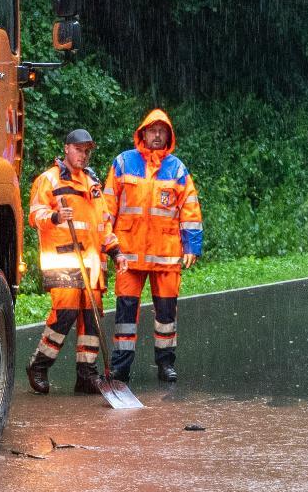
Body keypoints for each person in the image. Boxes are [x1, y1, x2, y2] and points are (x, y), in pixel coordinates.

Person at [104, 107, 202, 383]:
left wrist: (192, 245)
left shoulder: (177, 169)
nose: (157, 135)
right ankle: (120, 366)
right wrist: (105, 242)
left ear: (168, 136)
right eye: (153, 130)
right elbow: (107, 207)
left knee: (166, 315)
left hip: (166, 256)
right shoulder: (123, 163)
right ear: (143, 133)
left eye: (162, 131)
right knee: (125, 314)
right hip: (129, 255)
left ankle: (166, 364)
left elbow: (190, 208)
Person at [27, 128, 111, 394]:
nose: (83, 155)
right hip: (63, 259)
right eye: (79, 150)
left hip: (92, 264)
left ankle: (86, 374)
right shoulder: (48, 180)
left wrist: (116, 250)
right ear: (66, 149)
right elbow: (35, 215)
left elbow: (103, 223)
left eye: (87, 151)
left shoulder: (93, 183)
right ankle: (39, 365)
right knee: (64, 315)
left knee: (91, 319)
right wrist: (55, 217)